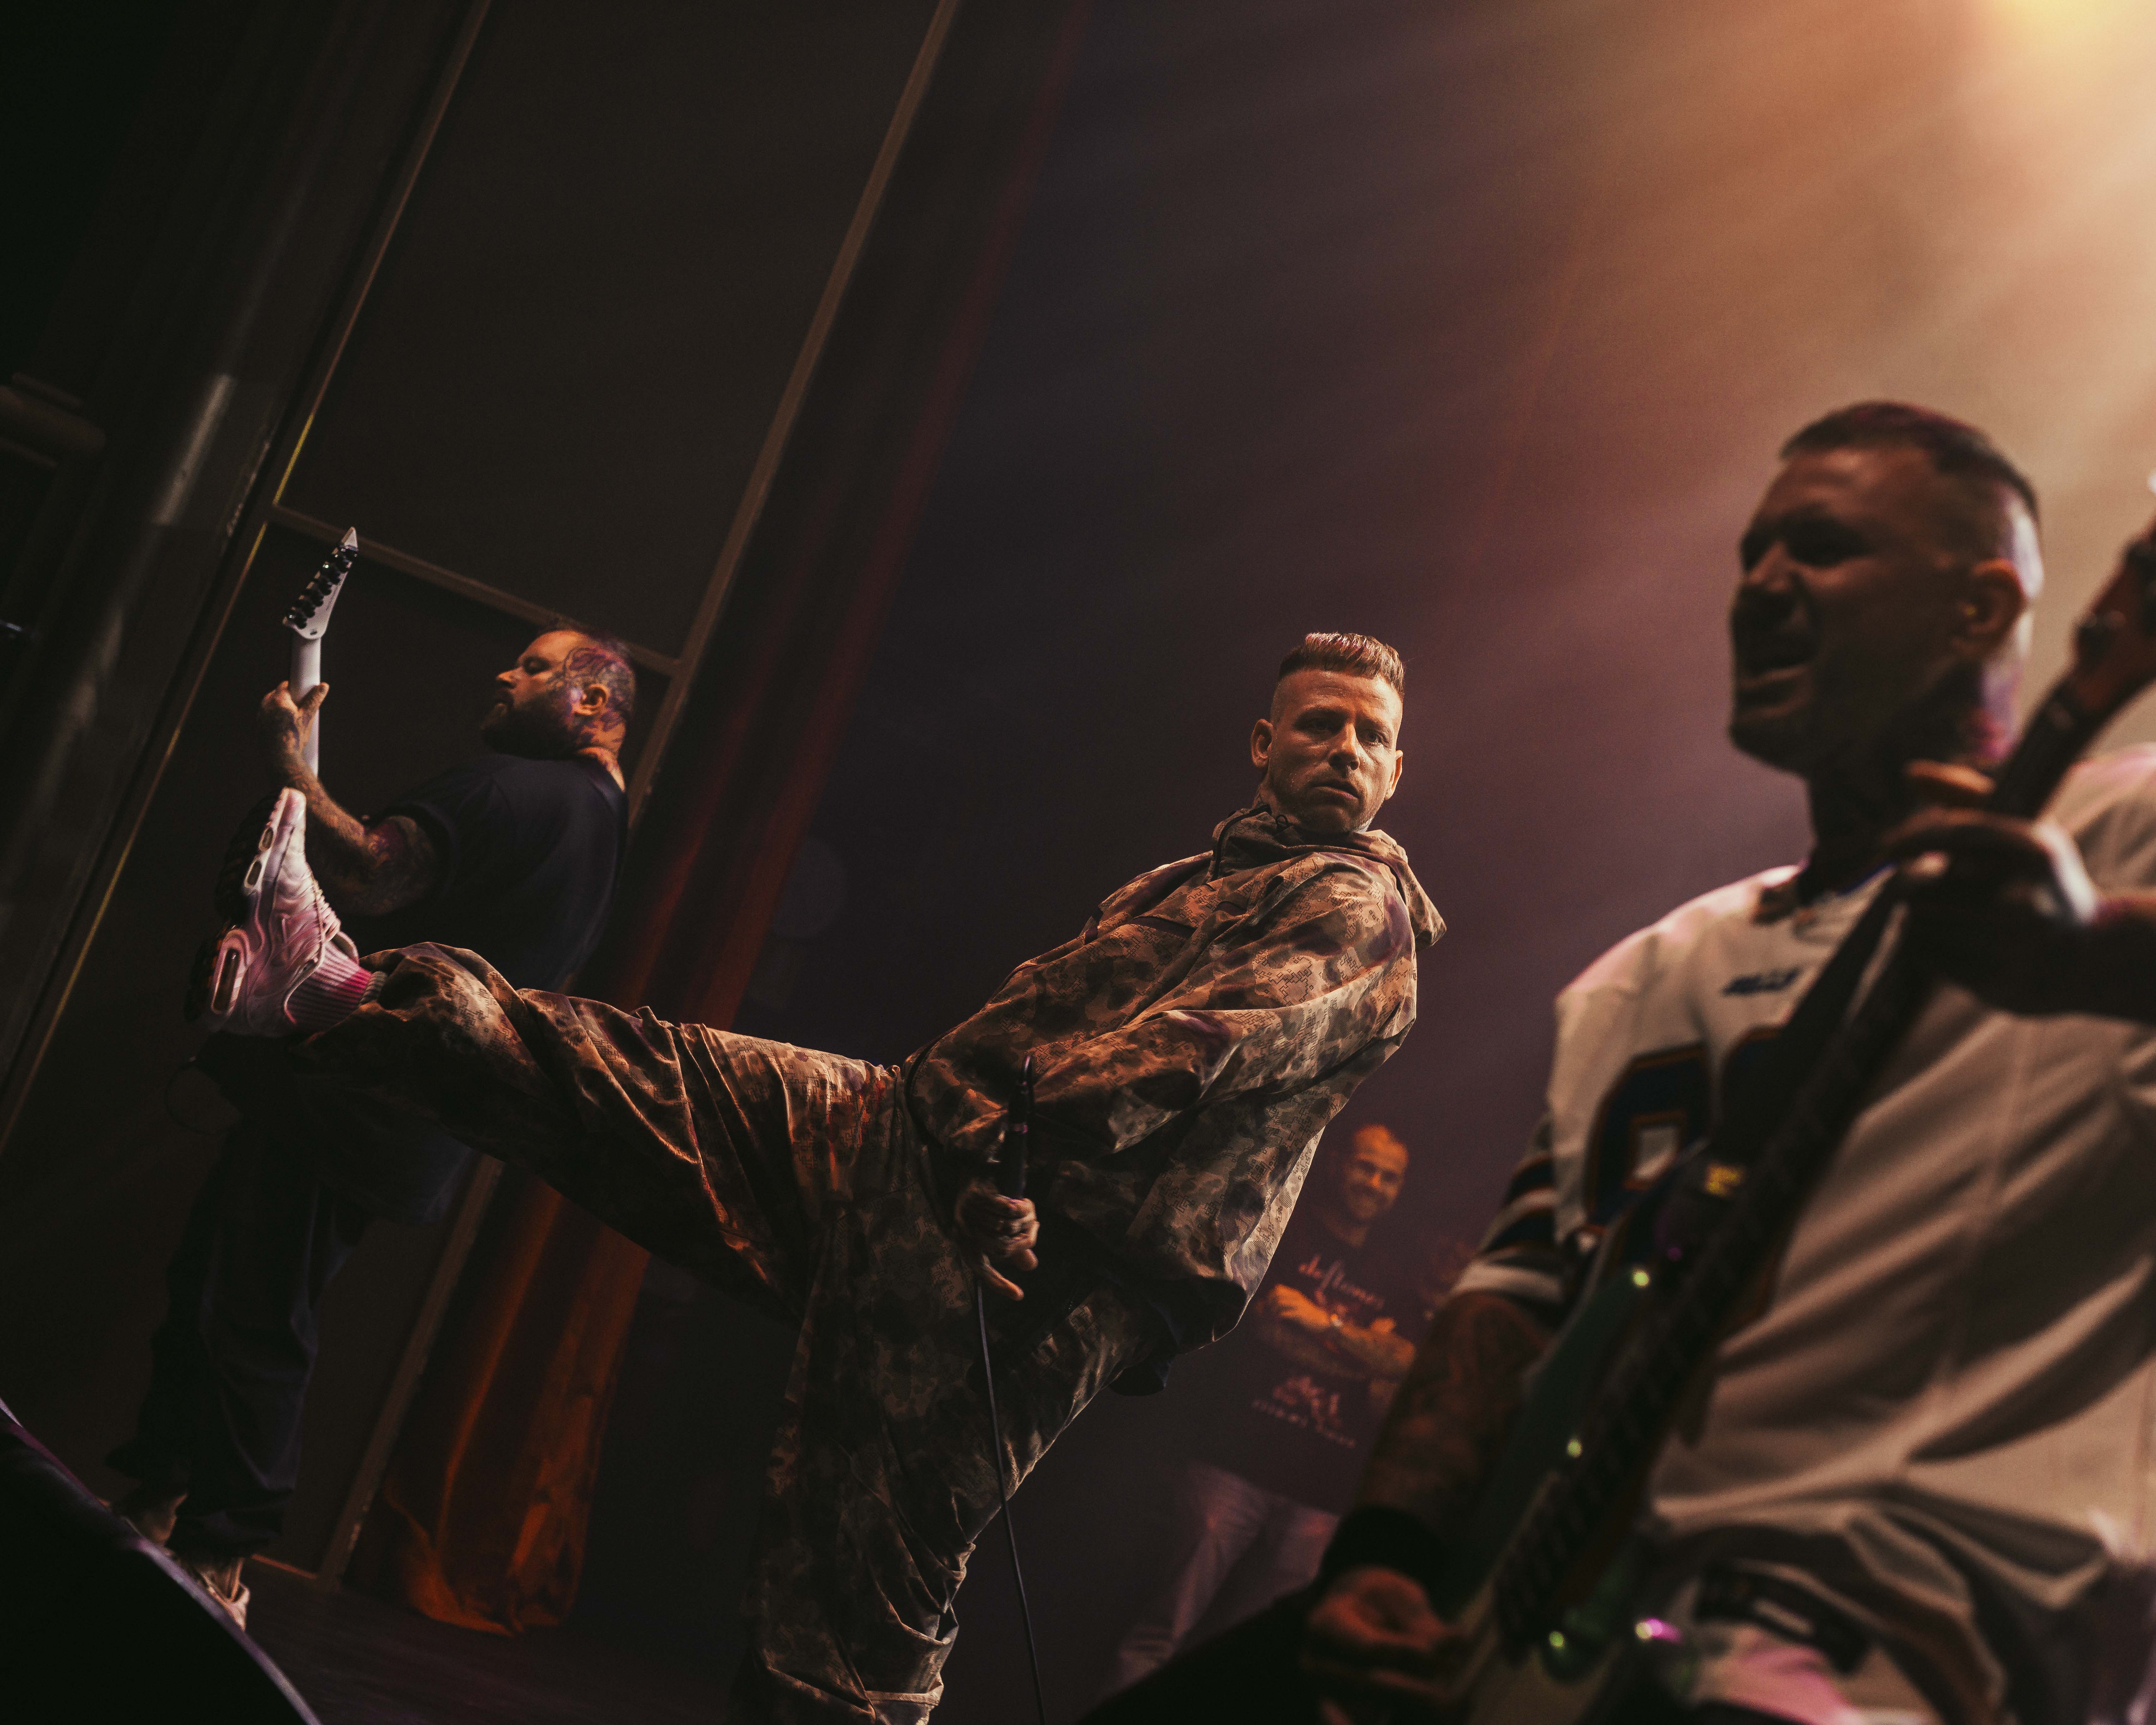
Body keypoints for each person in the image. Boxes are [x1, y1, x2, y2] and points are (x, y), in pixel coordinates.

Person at [1097, 404, 2156, 1724]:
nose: (1762, 584)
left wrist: (2095, 957)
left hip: (1921, 1660)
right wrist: (1385, 1556)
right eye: (1753, 551)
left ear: (1981, 606)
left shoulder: (2121, 834)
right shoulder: (1660, 970)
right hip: (1580, 1630)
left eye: (1824, 548)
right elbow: (1518, 1292)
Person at [195, 631, 1443, 1722]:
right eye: (1319, 722)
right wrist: (970, 1131)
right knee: (643, 1074)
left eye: (1370, 734)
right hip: (910, 1137)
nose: (1345, 746)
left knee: (858, 1589)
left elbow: (1194, 1051)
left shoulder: (1358, 912)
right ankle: (338, 990)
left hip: (1036, 1260)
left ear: (1395, 770)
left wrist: (1011, 1152)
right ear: (1263, 742)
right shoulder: (1194, 878)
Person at [111, 629, 634, 1628]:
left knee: (254, 1312)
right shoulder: (601, 827)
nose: (504, 673)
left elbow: (369, 877)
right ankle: (160, 1500)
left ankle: (220, 1555)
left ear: (592, 702)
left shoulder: (514, 791)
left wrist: (288, 765)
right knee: (222, 1285)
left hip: (350, 1098)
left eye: (532, 667)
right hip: (394, 1108)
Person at [1097, 1122, 1423, 1697]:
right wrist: (1360, 1348)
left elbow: (1402, 1361)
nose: (1374, 1184)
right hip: (1231, 1465)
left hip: (1319, 1497)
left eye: (1389, 1177)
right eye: (1365, 1167)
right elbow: (1271, 1326)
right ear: (1337, 1165)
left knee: (1254, 1659)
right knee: (1161, 1628)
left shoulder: (1393, 1275)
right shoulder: (1286, 1234)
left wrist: (1323, 1324)